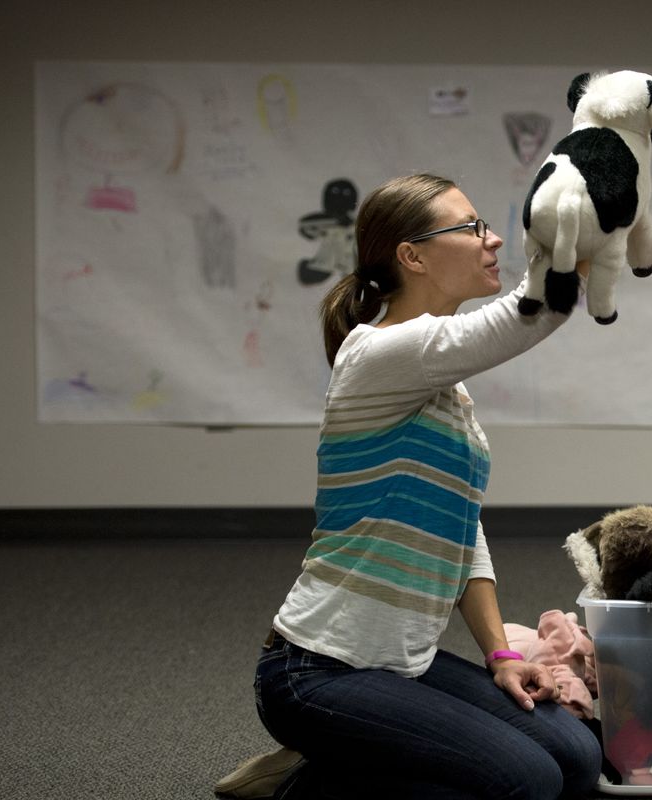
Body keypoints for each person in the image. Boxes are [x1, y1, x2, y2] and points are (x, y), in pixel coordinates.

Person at [218, 173, 602, 800]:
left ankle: (336, 762)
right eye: (472, 227)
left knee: (576, 758)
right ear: (412, 255)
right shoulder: (374, 354)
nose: (494, 239)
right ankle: (307, 786)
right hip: (315, 671)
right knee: (526, 782)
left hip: (401, 668)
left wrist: (503, 655)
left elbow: (461, 528)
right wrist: (580, 253)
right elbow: (523, 317)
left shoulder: (447, 389)